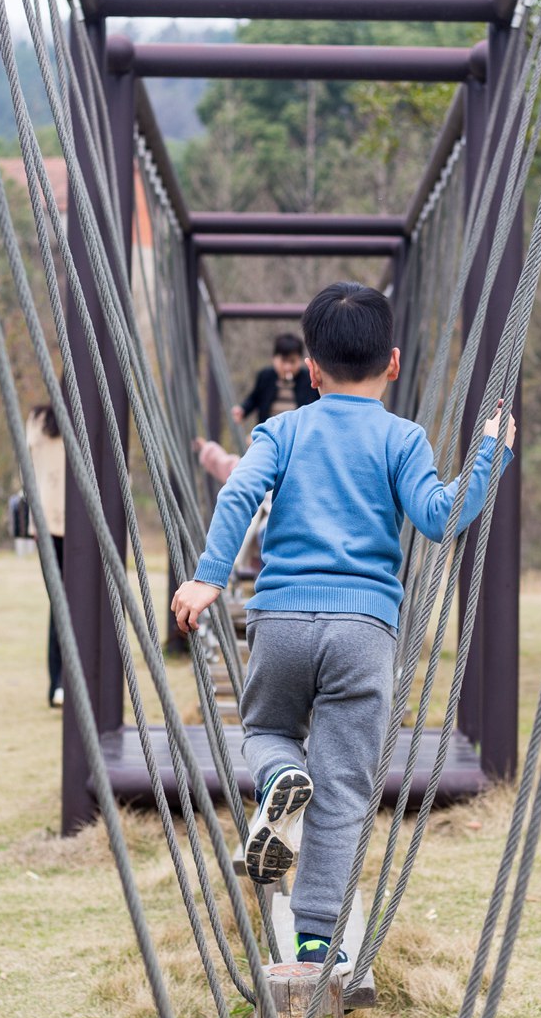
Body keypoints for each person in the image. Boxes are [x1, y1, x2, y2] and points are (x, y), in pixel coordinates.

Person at [172, 281, 515, 966]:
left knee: (268, 732)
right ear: (393, 363)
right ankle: (314, 939)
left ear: (312, 371)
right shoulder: (402, 438)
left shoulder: (283, 430)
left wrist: (209, 576)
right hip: (364, 629)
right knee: (343, 790)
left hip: (281, 619)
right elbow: (439, 517)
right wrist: (490, 453)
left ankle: (278, 779)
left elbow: (239, 492)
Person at [25, 403, 68, 708]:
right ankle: (60, 681)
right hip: (61, 524)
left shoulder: (37, 421)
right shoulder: (41, 420)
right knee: (64, 604)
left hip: (47, 523)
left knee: (59, 604)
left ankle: (59, 683)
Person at [233, 332, 318, 428]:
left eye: (292, 361)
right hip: (269, 430)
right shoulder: (266, 376)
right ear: (274, 359)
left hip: (298, 431)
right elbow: (254, 398)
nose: (287, 367)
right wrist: (243, 410)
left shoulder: (309, 378)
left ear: (300, 360)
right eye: (283, 361)